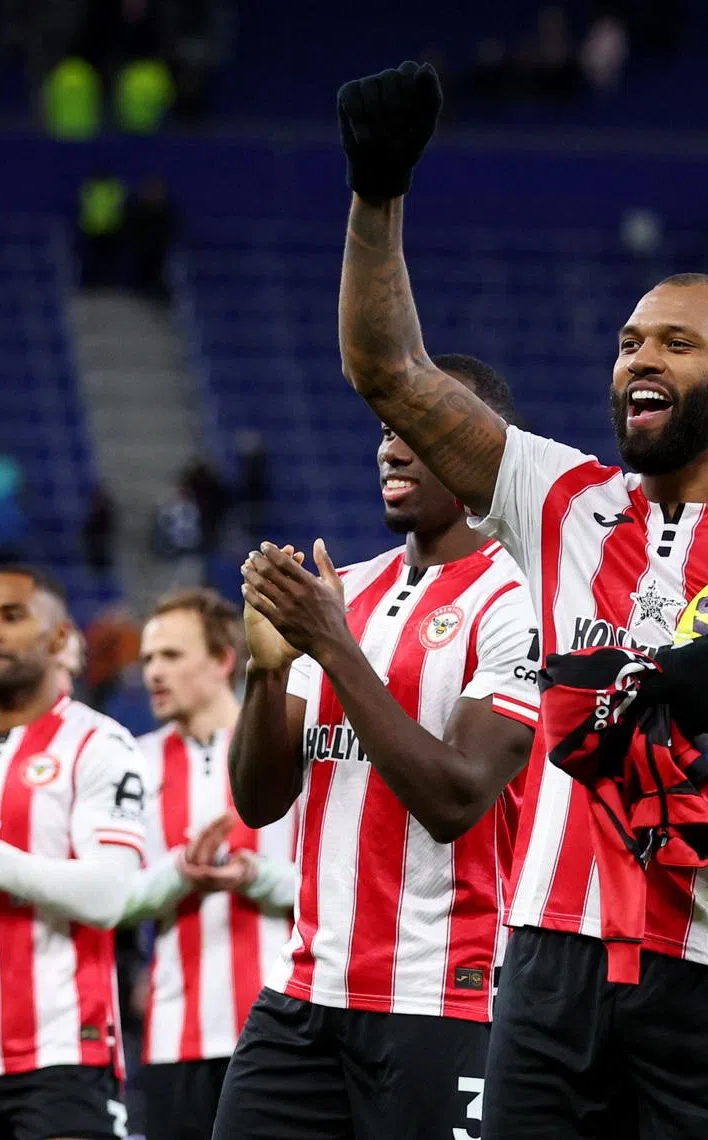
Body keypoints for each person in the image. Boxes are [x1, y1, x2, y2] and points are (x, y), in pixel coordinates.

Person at [331, 62, 708, 1139]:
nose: (639, 361)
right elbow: (388, 370)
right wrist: (377, 196)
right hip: (548, 971)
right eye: (627, 343)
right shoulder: (557, 496)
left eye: (675, 342)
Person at [212, 354, 540, 1139]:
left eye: (417, 431)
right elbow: (259, 803)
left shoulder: (522, 597)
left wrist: (334, 649)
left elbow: (454, 798)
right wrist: (266, 673)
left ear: (480, 447)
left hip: (443, 999)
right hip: (304, 996)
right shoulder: (344, 592)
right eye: (386, 431)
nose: (391, 448)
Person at [0, 565, 147, 1140]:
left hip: (61, 1055)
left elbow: (107, 896)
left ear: (59, 638)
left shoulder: (100, 744)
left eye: (11, 615)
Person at [122, 588, 297, 1140]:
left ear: (223, 660)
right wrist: (180, 872)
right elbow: (119, 894)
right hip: (175, 1032)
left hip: (282, 1023)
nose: (153, 672)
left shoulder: (284, 745)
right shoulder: (133, 760)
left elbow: (327, 882)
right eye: (148, 658)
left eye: (171, 656)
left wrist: (255, 875)